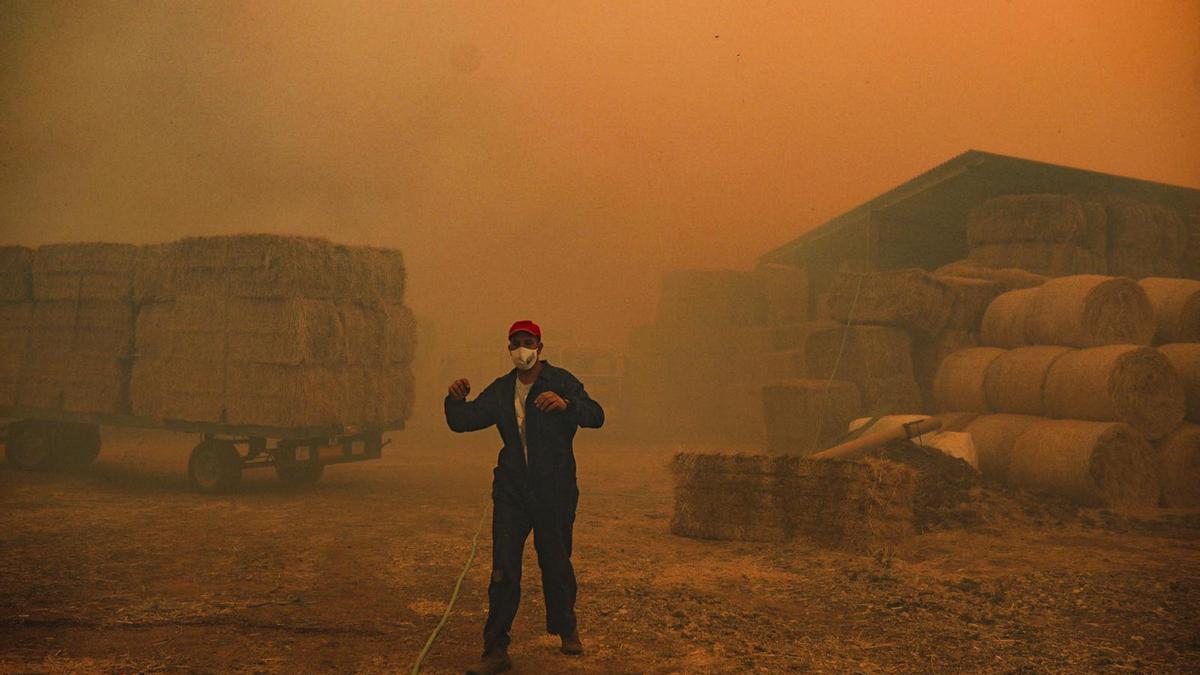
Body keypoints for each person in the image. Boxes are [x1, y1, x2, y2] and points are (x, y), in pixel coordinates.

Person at [445, 320, 605, 675]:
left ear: (540, 346)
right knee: (504, 569)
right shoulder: (502, 390)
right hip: (512, 491)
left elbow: (597, 415)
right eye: (515, 342)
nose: (522, 348)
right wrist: (454, 401)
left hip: (554, 489)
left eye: (527, 341)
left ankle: (567, 629)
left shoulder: (561, 382)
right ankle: (495, 649)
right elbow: (466, 420)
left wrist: (567, 405)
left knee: (556, 560)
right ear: (509, 349)